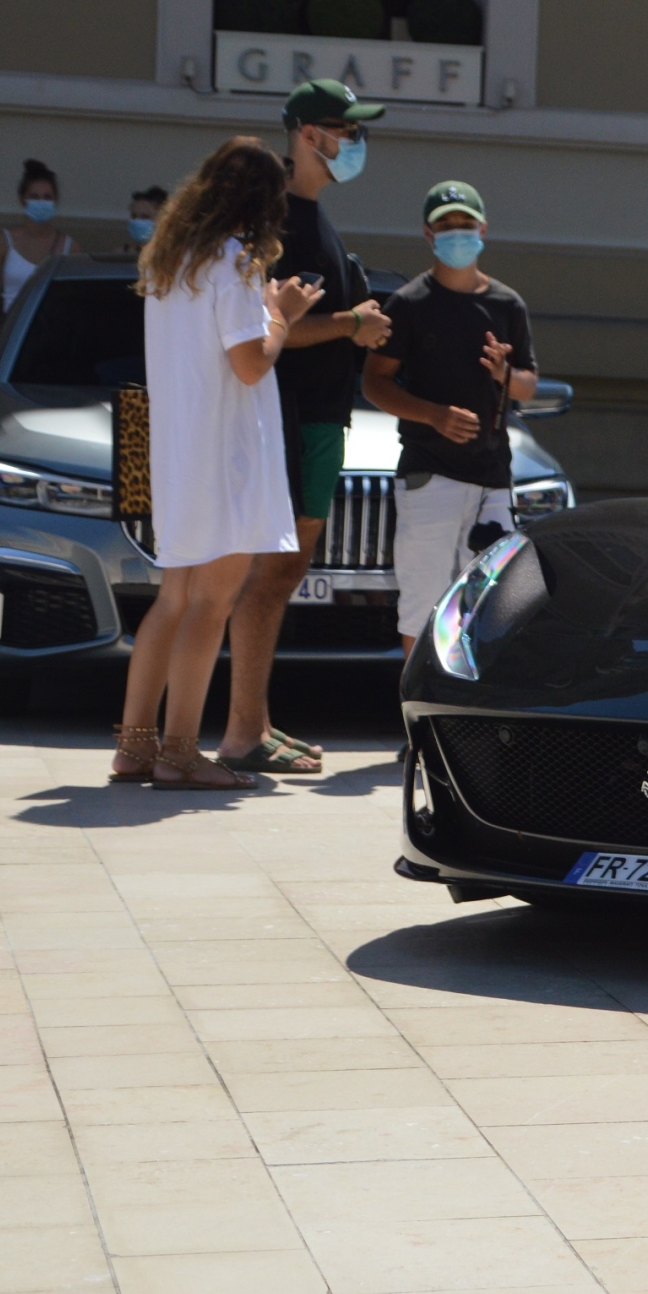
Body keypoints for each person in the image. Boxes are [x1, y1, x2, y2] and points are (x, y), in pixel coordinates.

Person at [109, 139, 318, 790]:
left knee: (174, 599)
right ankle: (179, 751)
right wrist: (282, 315)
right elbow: (251, 362)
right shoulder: (235, 261)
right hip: (223, 457)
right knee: (212, 602)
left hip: (175, 450)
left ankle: (135, 747)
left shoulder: (172, 260)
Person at [216, 81, 393, 775]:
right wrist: (353, 324)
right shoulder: (278, 218)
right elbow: (272, 328)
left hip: (319, 419)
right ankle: (239, 733)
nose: (354, 141)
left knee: (284, 572)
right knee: (270, 573)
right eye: (344, 128)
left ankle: (254, 722)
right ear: (306, 134)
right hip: (290, 421)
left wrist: (358, 323)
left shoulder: (314, 215)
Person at [362, 182, 537, 656]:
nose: (457, 233)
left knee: (488, 607)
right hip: (429, 473)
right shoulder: (410, 303)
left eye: (465, 224)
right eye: (446, 225)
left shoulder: (507, 305)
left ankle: (466, 718)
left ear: (482, 229)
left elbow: (528, 384)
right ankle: (418, 721)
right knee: (422, 607)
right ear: (427, 233)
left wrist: (505, 373)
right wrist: (433, 415)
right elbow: (375, 382)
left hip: (492, 480)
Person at [0, 159, 76, 349]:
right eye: (34, 196)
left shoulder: (70, 247)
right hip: (11, 337)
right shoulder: (1, 243)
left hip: (52, 339)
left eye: (47, 197)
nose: (41, 202)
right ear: (22, 199)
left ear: (55, 200)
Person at [112, 186, 167, 261]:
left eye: (145, 217)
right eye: (134, 216)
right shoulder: (122, 253)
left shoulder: (172, 258)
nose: (137, 221)